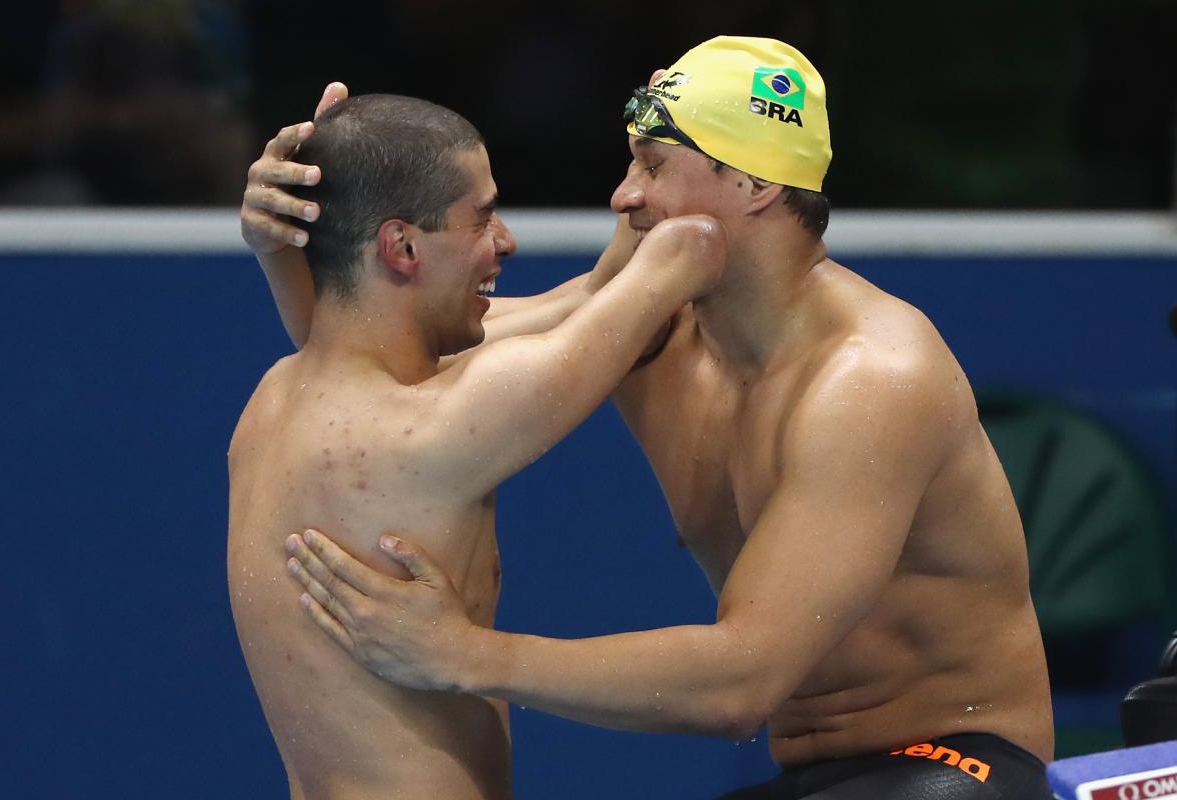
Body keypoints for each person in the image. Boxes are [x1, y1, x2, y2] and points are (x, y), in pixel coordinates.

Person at [270, 37, 1057, 798]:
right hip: (811, 775)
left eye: (652, 165)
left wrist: (462, 654)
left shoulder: (871, 379)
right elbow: (367, 362)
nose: (624, 195)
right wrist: (286, 236)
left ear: (754, 185)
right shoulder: (651, 334)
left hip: (955, 760)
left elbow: (742, 682)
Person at [228, 92, 724, 800]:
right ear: (401, 247)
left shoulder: (277, 399)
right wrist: (679, 144)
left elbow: (586, 299)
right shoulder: (433, 428)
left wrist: (283, 245)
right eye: (482, 216)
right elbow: (679, 260)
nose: (506, 242)